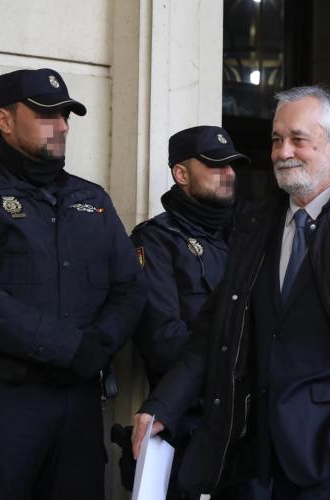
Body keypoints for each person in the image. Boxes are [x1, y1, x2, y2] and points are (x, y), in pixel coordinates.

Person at [132, 85, 330, 499]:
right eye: (276, 139)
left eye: (298, 139)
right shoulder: (254, 223)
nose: (283, 152)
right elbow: (216, 330)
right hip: (264, 461)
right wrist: (164, 405)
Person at [0, 68, 146, 500]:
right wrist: (72, 347)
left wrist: (101, 343)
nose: (61, 126)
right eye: (46, 114)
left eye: (65, 115)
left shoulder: (92, 199)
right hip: (2, 404)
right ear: (4, 120)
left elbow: (130, 287)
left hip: (78, 403)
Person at [130, 125, 252, 499]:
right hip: (190, 424)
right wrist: (237, 352)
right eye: (214, 165)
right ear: (181, 174)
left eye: (231, 164)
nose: (228, 173)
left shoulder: (251, 234)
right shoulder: (155, 239)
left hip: (251, 425)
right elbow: (163, 342)